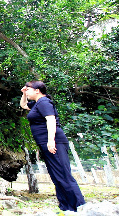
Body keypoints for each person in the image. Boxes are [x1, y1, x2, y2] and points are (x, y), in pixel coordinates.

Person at [20, 80, 85, 212]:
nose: (27, 91)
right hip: (46, 143)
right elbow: (23, 105)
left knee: (63, 174)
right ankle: (66, 207)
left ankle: (80, 207)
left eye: (29, 89)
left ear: (37, 90)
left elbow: (51, 120)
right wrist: (24, 93)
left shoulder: (44, 102)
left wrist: (51, 141)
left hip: (54, 143)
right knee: (57, 176)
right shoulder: (38, 103)